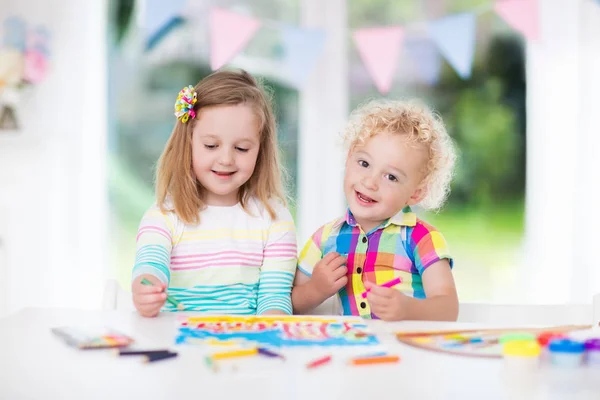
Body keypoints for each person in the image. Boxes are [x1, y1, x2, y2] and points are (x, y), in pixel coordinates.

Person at [131, 69, 297, 317]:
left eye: (241, 148)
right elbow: (151, 265)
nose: (226, 159)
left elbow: (275, 298)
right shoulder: (164, 216)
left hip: (246, 346)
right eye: (211, 145)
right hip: (178, 345)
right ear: (188, 143)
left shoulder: (275, 219)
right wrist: (146, 288)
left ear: (260, 151)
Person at [292, 99, 458, 321]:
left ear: (415, 193)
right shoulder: (324, 239)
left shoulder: (422, 239)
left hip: (407, 351)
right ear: (349, 157)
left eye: (391, 177)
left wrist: (407, 310)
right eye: (364, 163)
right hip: (351, 350)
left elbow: (448, 309)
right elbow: (290, 304)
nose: (370, 182)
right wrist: (315, 289)